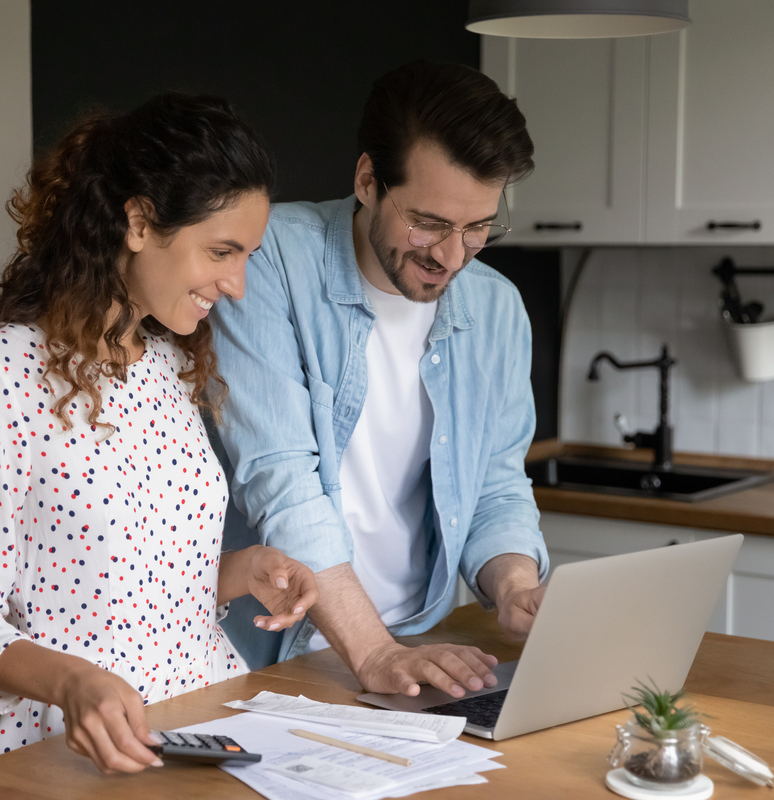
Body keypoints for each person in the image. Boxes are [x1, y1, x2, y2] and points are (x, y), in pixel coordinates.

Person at [0, 93, 318, 775]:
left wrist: (237, 574)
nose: (239, 284)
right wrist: (74, 682)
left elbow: (125, 589)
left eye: (249, 254)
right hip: (73, 759)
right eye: (221, 251)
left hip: (206, 735)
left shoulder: (165, 361)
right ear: (138, 222)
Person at [211, 61, 548, 700]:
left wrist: (513, 587)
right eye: (428, 222)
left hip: (417, 645)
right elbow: (280, 480)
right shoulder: (268, 258)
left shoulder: (497, 308)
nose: (452, 256)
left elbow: (496, 484)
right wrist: (372, 652)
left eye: (477, 227)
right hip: (277, 653)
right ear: (368, 180)